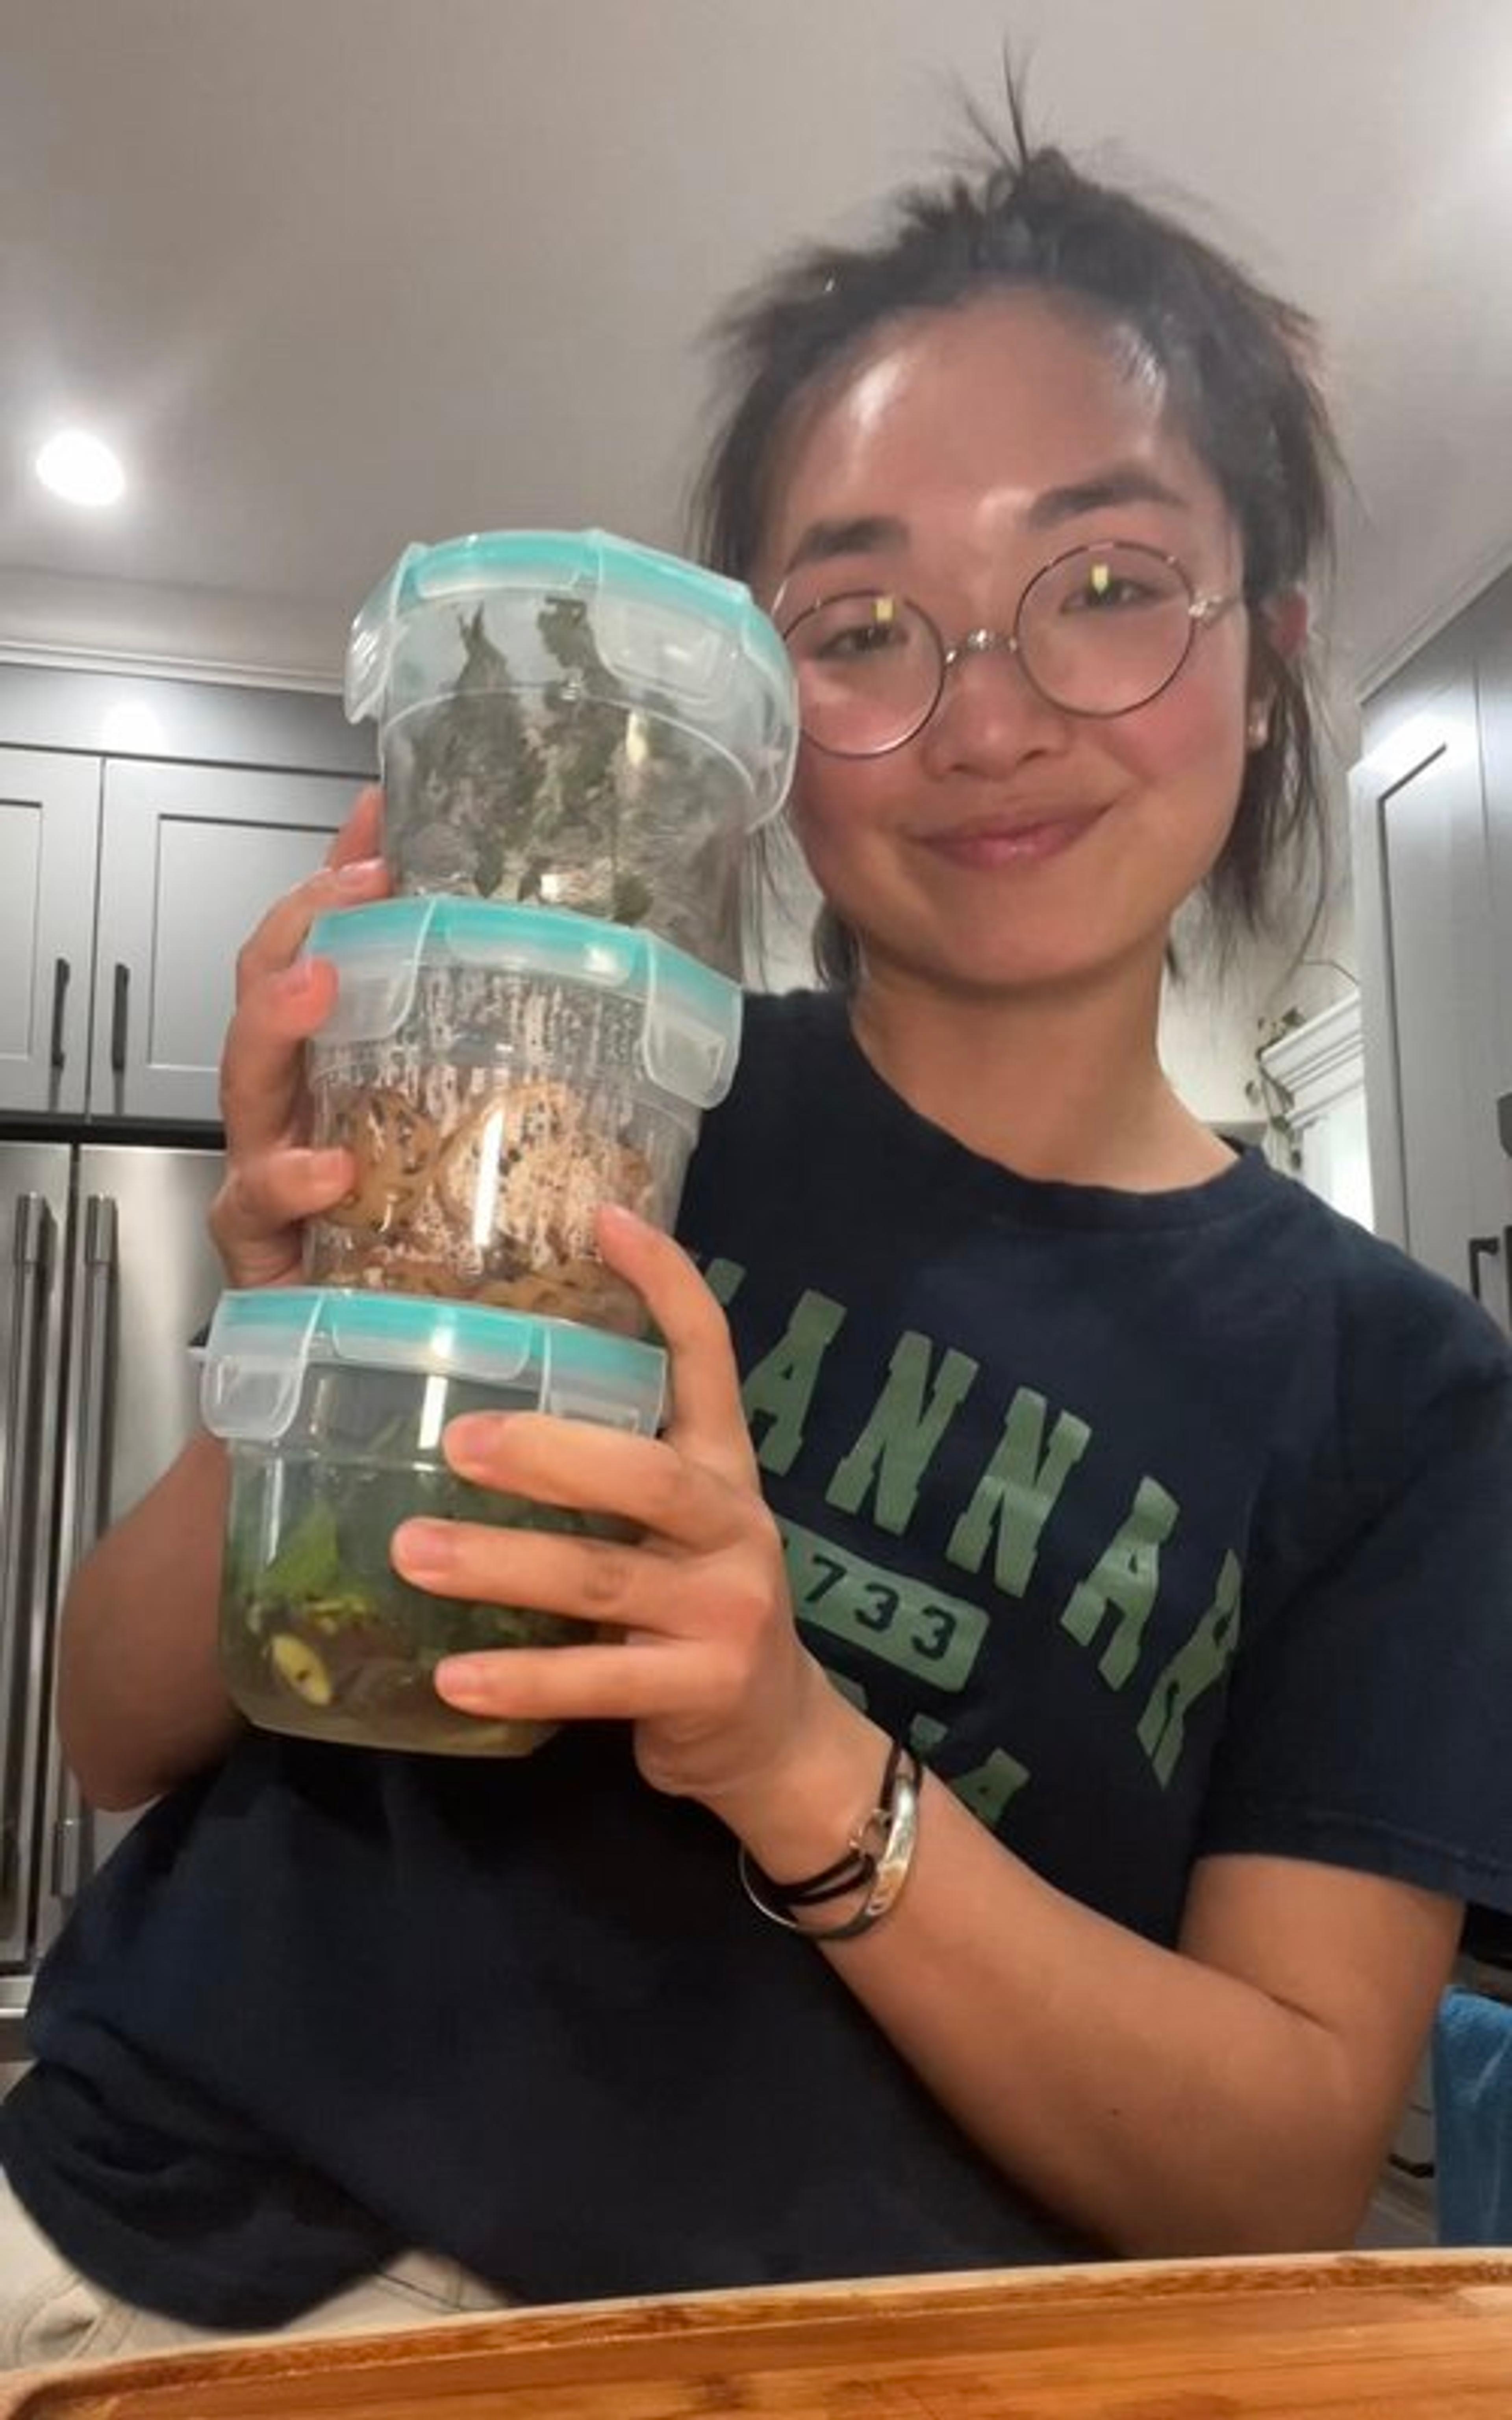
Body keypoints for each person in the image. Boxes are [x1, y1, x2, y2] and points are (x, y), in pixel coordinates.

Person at [5, 106, 1512, 2370]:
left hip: (806, 2369)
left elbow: (1287, 2155)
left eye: (1104, 584)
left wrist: (798, 1754)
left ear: (1269, 648)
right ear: (763, 731)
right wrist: (310, 1320)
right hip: (140, 2257)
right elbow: (117, 1729)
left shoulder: (1401, 1394)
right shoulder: (590, 1110)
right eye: (865, 624)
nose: (988, 714)